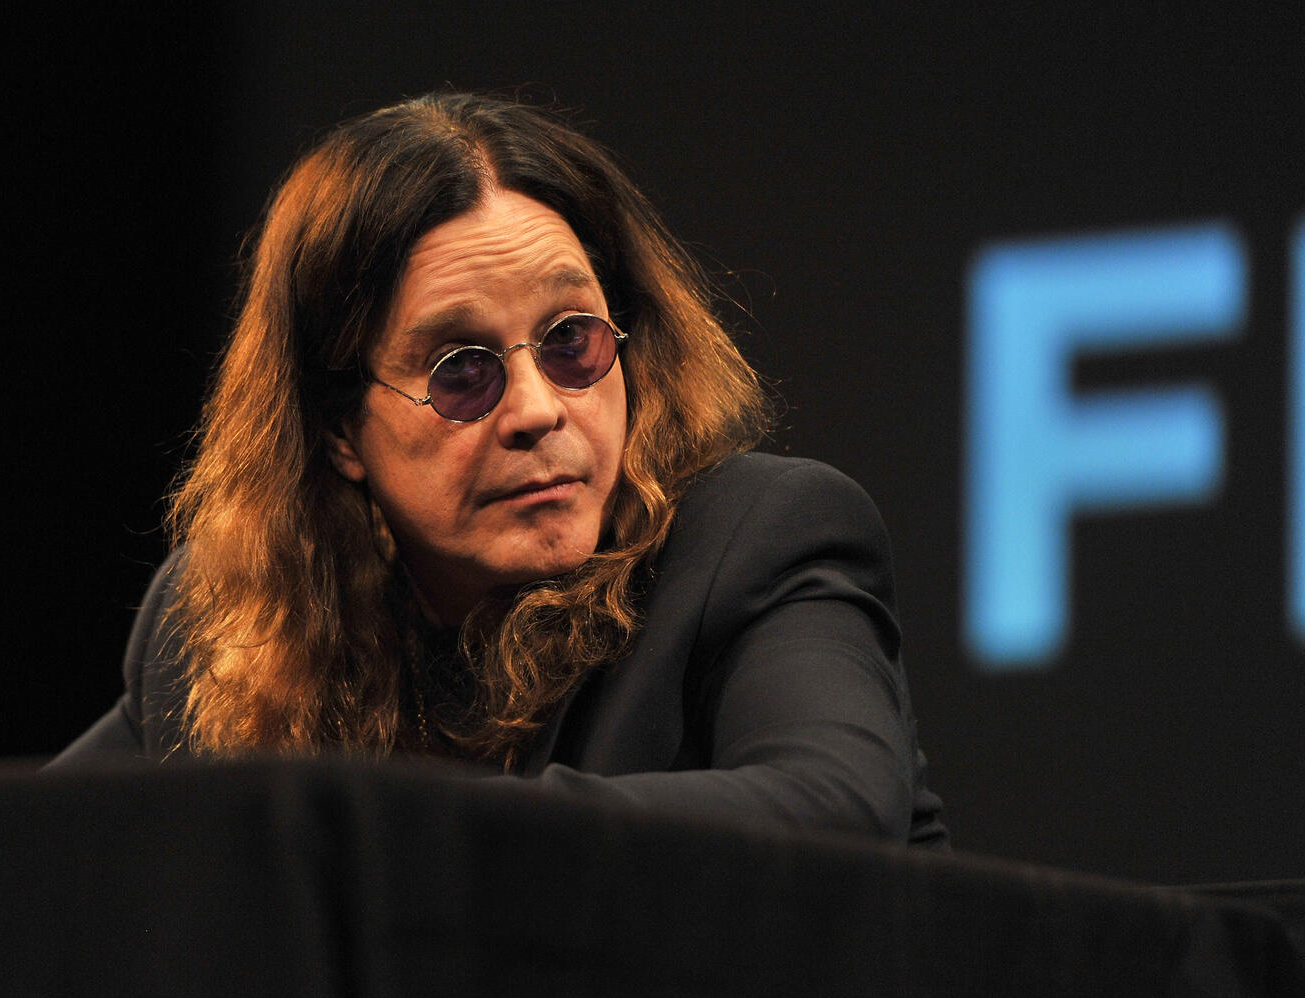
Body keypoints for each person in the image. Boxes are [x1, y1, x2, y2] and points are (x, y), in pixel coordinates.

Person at [52, 91, 947, 848]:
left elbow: (832, 809)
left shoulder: (760, 539)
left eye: (572, 342)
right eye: (462, 372)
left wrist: (375, 835)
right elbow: (29, 858)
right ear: (339, 431)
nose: (537, 410)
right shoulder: (229, 624)